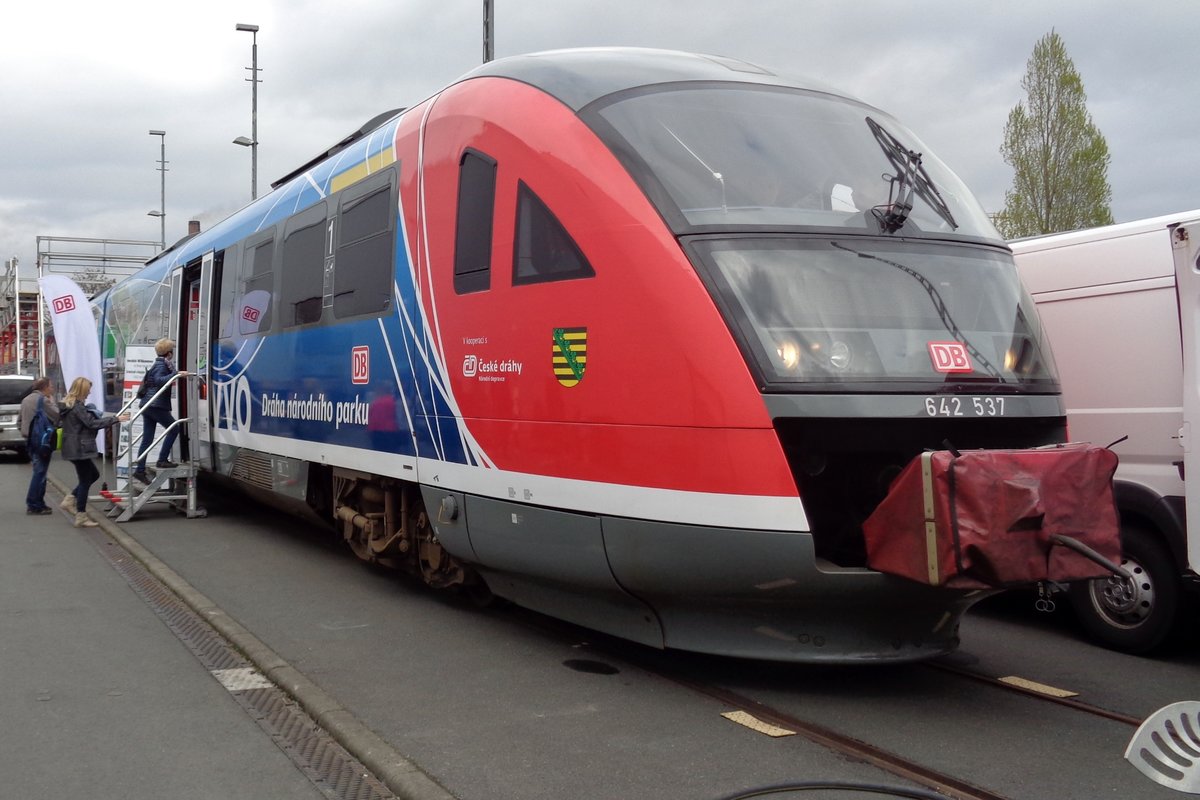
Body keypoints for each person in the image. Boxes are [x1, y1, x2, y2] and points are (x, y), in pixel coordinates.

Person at [61, 376, 125, 528]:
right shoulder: (77, 407)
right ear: (82, 390)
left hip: (72, 446)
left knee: (93, 475)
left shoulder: (68, 405)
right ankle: (81, 515)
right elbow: (91, 424)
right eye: (88, 390)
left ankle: (70, 499)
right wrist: (116, 419)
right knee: (85, 480)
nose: (89, 393)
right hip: (79, 448)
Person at [133, 337, 188, 484]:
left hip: (148, 405)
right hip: (156, 405)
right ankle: (162, 459)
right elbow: (158, 380)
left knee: (148, 438)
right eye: (172, 351)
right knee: (174, 428)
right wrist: (176, 375)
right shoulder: (163, 365)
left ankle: (140, 470)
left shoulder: (158, 363)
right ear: (169, 353)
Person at [18, 377, 60, 515]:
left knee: (39, 471)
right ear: (45, 388)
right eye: (51, 386)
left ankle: (38, 502)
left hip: (29, 439)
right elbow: (57, 415)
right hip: (42, 440)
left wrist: (25, 432)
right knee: (40, 473)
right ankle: (34, 503)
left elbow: (19, 421)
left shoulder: (26, 399)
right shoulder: (43, 400)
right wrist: (53, 402)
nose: (52, 389)